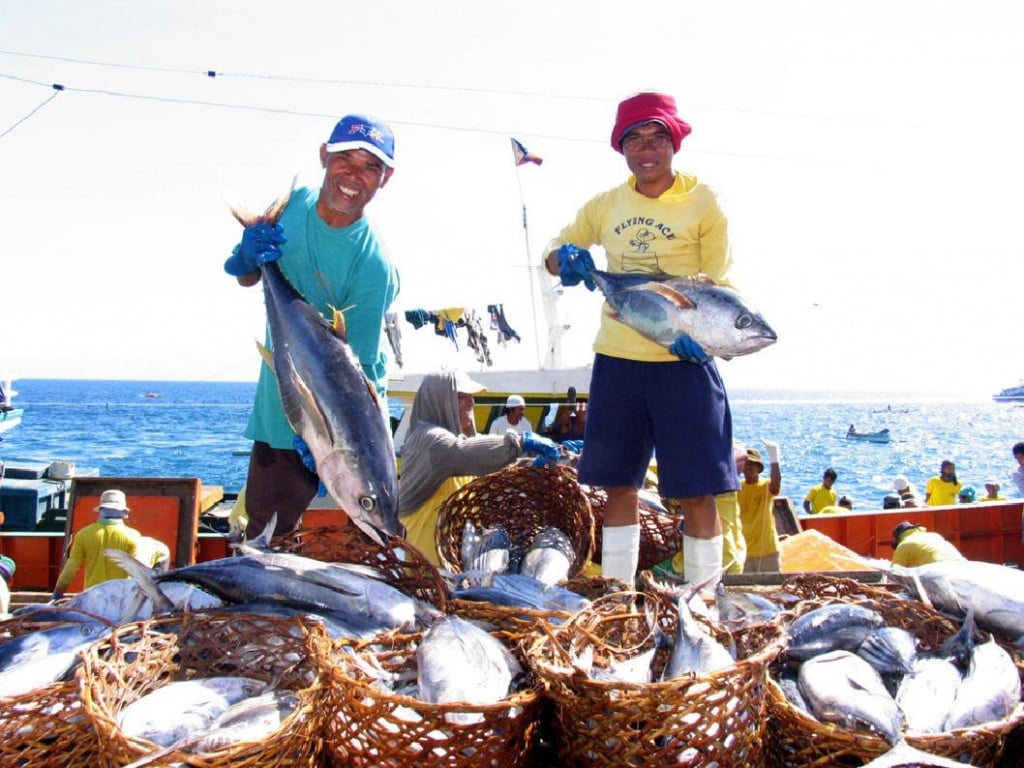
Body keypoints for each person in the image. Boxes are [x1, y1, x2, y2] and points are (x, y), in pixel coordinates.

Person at [542, 91, 737, 587]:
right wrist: (564, 260)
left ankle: (703, 600)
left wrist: (704, 341)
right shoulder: (605, 205)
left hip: (684, 365)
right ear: (621, 147)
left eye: (656, 137)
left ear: (674, 142)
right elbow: (553, 252)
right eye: (634, 139)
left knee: (697, 490)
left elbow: (720, 289)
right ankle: (617, 595)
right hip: (618, 361)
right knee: (618, 487)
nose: (646, 149)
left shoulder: (704, 202)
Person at [225, 114, 400, 540]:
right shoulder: (295, 203)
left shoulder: (373, 266)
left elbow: (350, 373)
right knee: (264, 535)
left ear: (386, 177)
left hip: (345, 414)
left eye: (369, 167)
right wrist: (249, 258)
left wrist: (321, 433)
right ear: (324, 156)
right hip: (278, 398)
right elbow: (246, 276)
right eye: (345, 159)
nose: (353, 176)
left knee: (370, 536)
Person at [398, 368, 561, 565]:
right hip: (425, 568)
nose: (471, 402)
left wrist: (528, 467)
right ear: (440, 401)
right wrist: (519, 442)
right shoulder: (428, 440)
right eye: (461, 397)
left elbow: (484, 463)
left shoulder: (454, 441)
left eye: (470, 396)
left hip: (455, 562)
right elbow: (461, 451)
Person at [51, 489, 167, 600]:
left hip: (92, 597)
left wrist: (58, 593)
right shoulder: (133, 536)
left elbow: (71, 567)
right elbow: (136, 573)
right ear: (124, 513)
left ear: (100, 510)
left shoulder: (83, 534)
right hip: (120, 599)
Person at [738, 443, 783, 573]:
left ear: (759, 468)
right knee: (744, 590)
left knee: (772, 588)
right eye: (746, 464)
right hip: (744, 551)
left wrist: (774, 459)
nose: (748, 467)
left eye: (752, 464)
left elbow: (775, 486)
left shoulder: (764, 486)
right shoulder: (737, 488)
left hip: (767, 550)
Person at [891, 521, 965, 567]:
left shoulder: (903, 545)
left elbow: (896, 571)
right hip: (960, 563)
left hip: (937, 570)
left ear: (898, 539)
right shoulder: (935, 535)